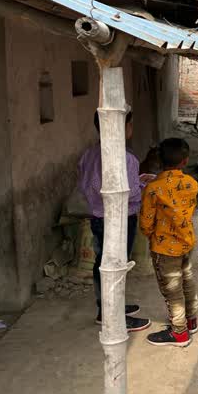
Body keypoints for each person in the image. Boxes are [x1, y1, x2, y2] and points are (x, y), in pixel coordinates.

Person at [78, 111, 151, 332]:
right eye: (130, 124)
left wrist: (135, 182)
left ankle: (106, 308)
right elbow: (130, 194)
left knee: (104, 264)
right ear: (124, 127)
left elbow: (89, 184)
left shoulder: (89, 154)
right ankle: (114, 317)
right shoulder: (126, 159)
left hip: (99, 218)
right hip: (119, 219)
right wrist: (144, 186)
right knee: (117, 267)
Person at [140, 138, 198, 347]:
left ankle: (179, 333)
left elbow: (146, 222)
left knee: (172, 289)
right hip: (186, 242)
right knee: (187, 280)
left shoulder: (153, 189)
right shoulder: (192, 184)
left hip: (164, 248)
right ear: (185, 161)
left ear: (158, 160)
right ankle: (191, 320)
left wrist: (148, 234)